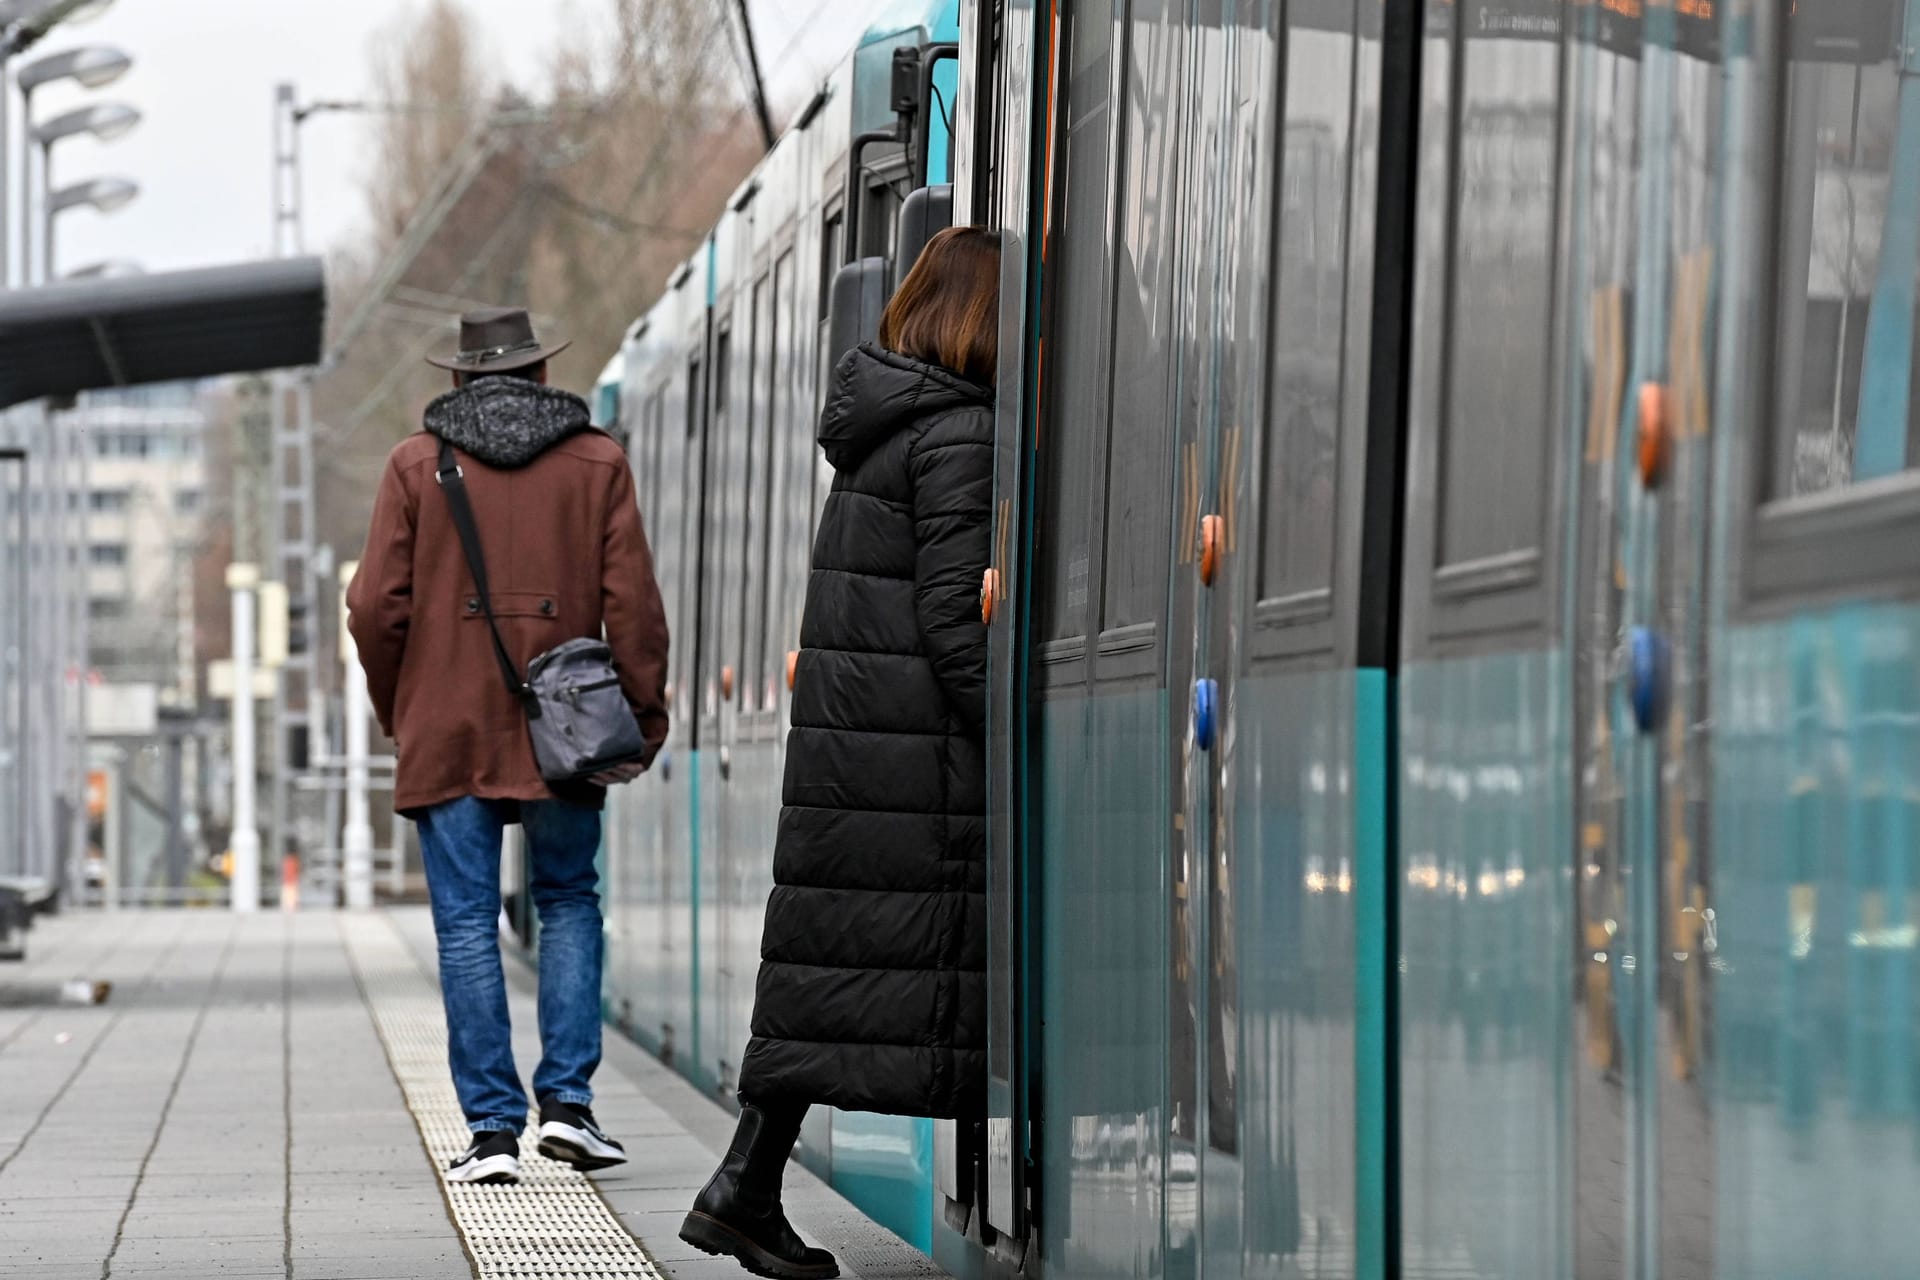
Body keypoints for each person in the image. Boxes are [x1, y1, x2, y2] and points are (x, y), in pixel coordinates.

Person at [680, 227, 999, 1278]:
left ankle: (744, 1185)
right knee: (852, 982)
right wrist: (1029, 724)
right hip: (918, 773)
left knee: (826, 982)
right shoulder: (961, 436)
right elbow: (956, 628)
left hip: (863, 767)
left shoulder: (883, 430)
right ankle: (742, 1187)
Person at [347, 306, 669, 1186]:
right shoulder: (596, 461)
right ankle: (568, 1109)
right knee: (567, 901)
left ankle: (491, 1133)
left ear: (457, 381)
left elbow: (375, 608)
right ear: (538, 377)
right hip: (565, 729)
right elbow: (634, 605)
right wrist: (641, 716)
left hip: (445, 729)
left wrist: (399, 703)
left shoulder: (416, 464)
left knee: (463, 926)